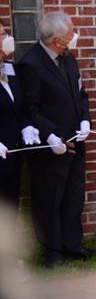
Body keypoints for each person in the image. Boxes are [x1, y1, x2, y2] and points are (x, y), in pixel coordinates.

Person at [19, 11, 95, 268]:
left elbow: (81, 93)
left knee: (74, 195)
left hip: (76, 140)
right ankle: (52, 252)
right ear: (56, 41)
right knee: (50, 199)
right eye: (69, 34)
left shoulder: (68, 58)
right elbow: (30, 108)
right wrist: (51, 133)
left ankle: (73, 245)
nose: (74, 37)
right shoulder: (31, 64)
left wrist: (86, 120)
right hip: (51, 147)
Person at [0, 25, 40, 210]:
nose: (7, 38)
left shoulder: (11, 69)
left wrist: (27, 126)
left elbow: (21, 106)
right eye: (2, 35)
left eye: (6, 32)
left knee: (9, 209)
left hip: (12, 155)